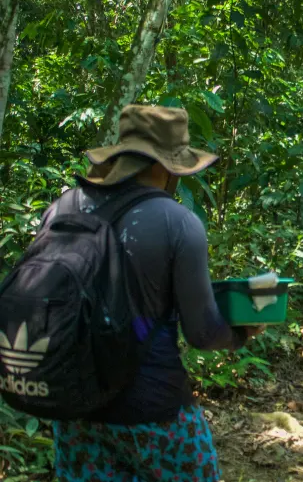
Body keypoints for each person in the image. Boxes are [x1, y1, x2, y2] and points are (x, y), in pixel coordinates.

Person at [45, 105, 257, 481]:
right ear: (167, 165)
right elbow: (203, 333)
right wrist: (241, 333)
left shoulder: (62, 207)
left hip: (75, 407)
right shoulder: (178, 222)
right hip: (153, 408)